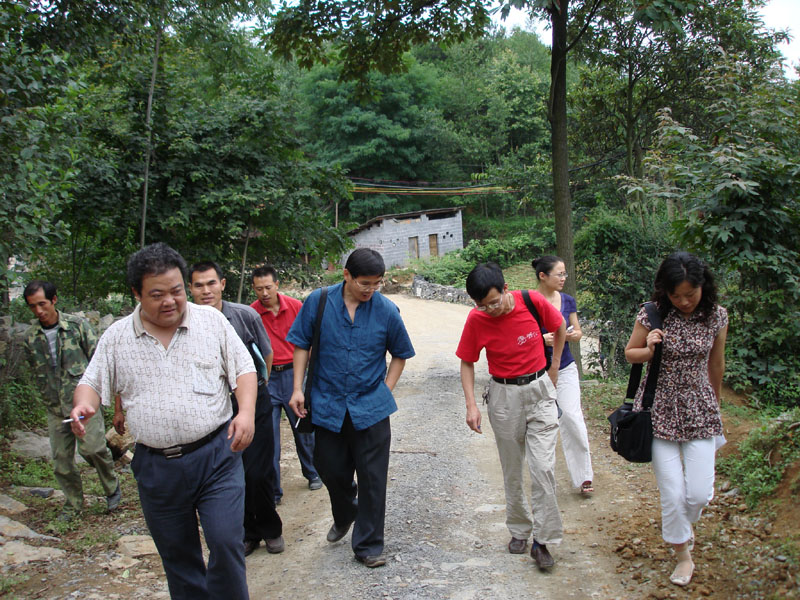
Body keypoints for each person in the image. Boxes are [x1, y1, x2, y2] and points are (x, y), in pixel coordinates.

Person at [70, 243, 256, 600]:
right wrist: (84, 405)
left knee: (226, 541)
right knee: (178, 556)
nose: (170, 301)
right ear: (137, 294)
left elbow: (244, 369)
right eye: (157, 294)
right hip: (157, 467)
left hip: (217, 454)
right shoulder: (117, 338)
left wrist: (245, 412)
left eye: (176, 291)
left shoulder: (211, 322)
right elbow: (91, 383)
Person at [287, 248, 415, 568]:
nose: (371, 289)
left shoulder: (386, 310)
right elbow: (301, 344)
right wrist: (297, 389)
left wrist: (385, 390)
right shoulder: (317, 302)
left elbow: (400, 353)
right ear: (346, 275)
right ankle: (345, 512)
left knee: (373, 479)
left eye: (377, 283)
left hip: (370, 407)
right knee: (330, 469)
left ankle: (369, 545)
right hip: (327, 404)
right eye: (364, 283)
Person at [624, 251, 728, 588]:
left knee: (697, 494)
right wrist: (650, 348)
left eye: (690, 294)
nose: (683, 301)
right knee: (672, 491)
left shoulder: (717, 317)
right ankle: (683, 553)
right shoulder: (652, 313)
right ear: (665, 291)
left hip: (700, 407)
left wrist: (716, 402)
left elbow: (716, 363)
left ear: (703, 286)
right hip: (659, 409)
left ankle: (686, 523)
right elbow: (631, 353)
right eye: (675, 295)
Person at [456, 262, 566, 570]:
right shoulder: (477, 318)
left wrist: (554, 367)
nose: (489, 309)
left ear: (506, 289)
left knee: (543, 468)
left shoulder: (531, 300)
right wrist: (471, 405)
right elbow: (467, 361)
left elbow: (558, 328)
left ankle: (542, 541)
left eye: (493, 302)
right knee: (512, 468)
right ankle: (519, 529)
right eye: (481, 305)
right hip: (503, 396)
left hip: (539, 390)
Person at [189, 261, 285, 557]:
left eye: (211, 283)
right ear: (190, 288)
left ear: (222, 284)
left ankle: (271, 529)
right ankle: (248, 533)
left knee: (259, 471)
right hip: (215, 410)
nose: (206, 291)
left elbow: (265, 352)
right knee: (233, 474)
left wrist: (259, 387)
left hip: (253, 403)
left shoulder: (244, 315)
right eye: (198, 285)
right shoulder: (187, 321)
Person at [23, 281, 120, 520]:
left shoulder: (77, 328)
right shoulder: (30, 337)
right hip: (55, 408)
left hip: (84, 403)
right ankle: (73, 504)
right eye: (32, 307)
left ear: (54, 300)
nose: (38, 311)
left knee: (94, 449)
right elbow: (35, 371)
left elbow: (99, 363)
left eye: (42, 304)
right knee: (61, 461)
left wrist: (104, 398)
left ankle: (111, 487)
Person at [250, 265, 321, 504]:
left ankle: (312, 473)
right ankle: (274, 490)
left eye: (268, 287)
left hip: (294, 375)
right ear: (254, 289)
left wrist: (307, 377)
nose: (264, 293)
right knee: (268, 438)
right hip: (267, 378)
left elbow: (309, 340)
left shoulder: (295, 307)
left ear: (277, 285)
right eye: (259, 289)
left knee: (303, 429)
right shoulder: (251, 314)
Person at [533, 256, 594, 494]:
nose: (563, 279)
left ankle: (584, 477)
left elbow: (577, 331)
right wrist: (541, 339)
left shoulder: (568, 301)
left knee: (572, 417)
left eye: (565, 274)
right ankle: (542, 481)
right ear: (543, 276)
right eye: (559, 274)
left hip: (566, 366)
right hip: (535, 370)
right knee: (540, 425)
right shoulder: (529, 302)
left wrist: (570, 335)